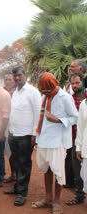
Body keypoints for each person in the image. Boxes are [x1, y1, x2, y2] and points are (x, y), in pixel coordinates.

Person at [32, 72, 78, 214]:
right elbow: (39, 117)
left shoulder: (65, 98)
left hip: (58, 141)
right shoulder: (44, 97)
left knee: (58, 171)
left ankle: (57, 202)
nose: (41, 90)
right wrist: (36, 135)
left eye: (44, 88)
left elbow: (75, 117)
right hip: (44, 139)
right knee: (46, 170)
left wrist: (57, 120)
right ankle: (48, 198)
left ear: (50, 86)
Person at [4, 66, 41, 206]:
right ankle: (17, 187)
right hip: (14, 133)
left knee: (24, 163)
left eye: (19, 75)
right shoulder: (16, 92)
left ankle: (22, 193)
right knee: (17, 162)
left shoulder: (33, 92)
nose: (17, 78)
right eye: (15, 76)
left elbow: (38, 114)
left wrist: (34, 134)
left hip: (26, 135)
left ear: (25, 75)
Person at [65, 72, 87, 205]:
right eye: (72, 83)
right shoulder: (68, 99)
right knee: (77, 170)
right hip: (75, 140)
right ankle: (79, 195)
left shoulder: (85, 100)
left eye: (77, 82)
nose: (75, 86)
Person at [3, 71, 16, 183]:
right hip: (5, 126)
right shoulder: (2, 91)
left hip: (16, 127)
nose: (7, 81)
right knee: (9, 151)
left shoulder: (17, 91)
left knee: (16, 152)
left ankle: (18, 175)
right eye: (6, 79)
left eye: (10, 79)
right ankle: (13, 174)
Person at [76, 96, 87, 197]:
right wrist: (78, 147)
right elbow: (80, 127)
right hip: (86, 147)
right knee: (85, 176)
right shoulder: (84, 103)